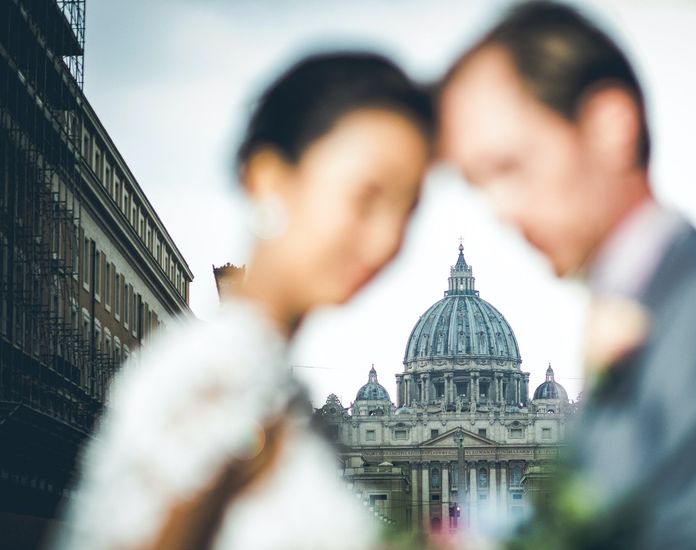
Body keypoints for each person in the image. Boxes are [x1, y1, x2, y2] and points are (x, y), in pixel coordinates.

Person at [438, 2, 696, 549]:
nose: (499, 209)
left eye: (511, 166)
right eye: (480, 183)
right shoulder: (641, 304)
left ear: (610, 127)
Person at [53, 52, 434, 550]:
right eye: (366, 197)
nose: (387, 239)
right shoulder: (218, 378)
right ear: (269, 178)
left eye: (407, 209)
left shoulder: (262, 377)